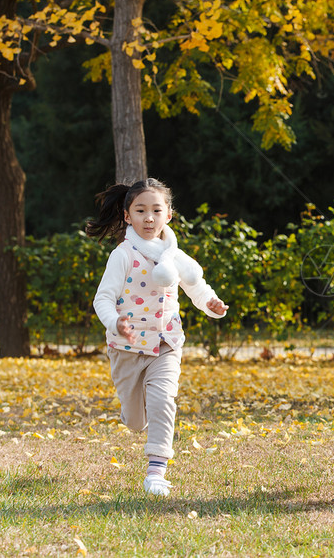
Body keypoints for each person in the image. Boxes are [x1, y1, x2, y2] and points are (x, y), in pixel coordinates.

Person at [86, 178, 229, 497]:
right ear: (127, 216)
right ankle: (131, 411)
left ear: (169, 215)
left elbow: (196, 287)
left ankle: (156, 473)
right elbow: (103, 300)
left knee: (164, 400)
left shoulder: (175, 257)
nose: (148, 218)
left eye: (156, 210)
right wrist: (115, 323)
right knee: (136, 421)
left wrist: (211, 304)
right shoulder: (123, 256)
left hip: (166, 342)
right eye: (140, 210)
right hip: (127, 348)